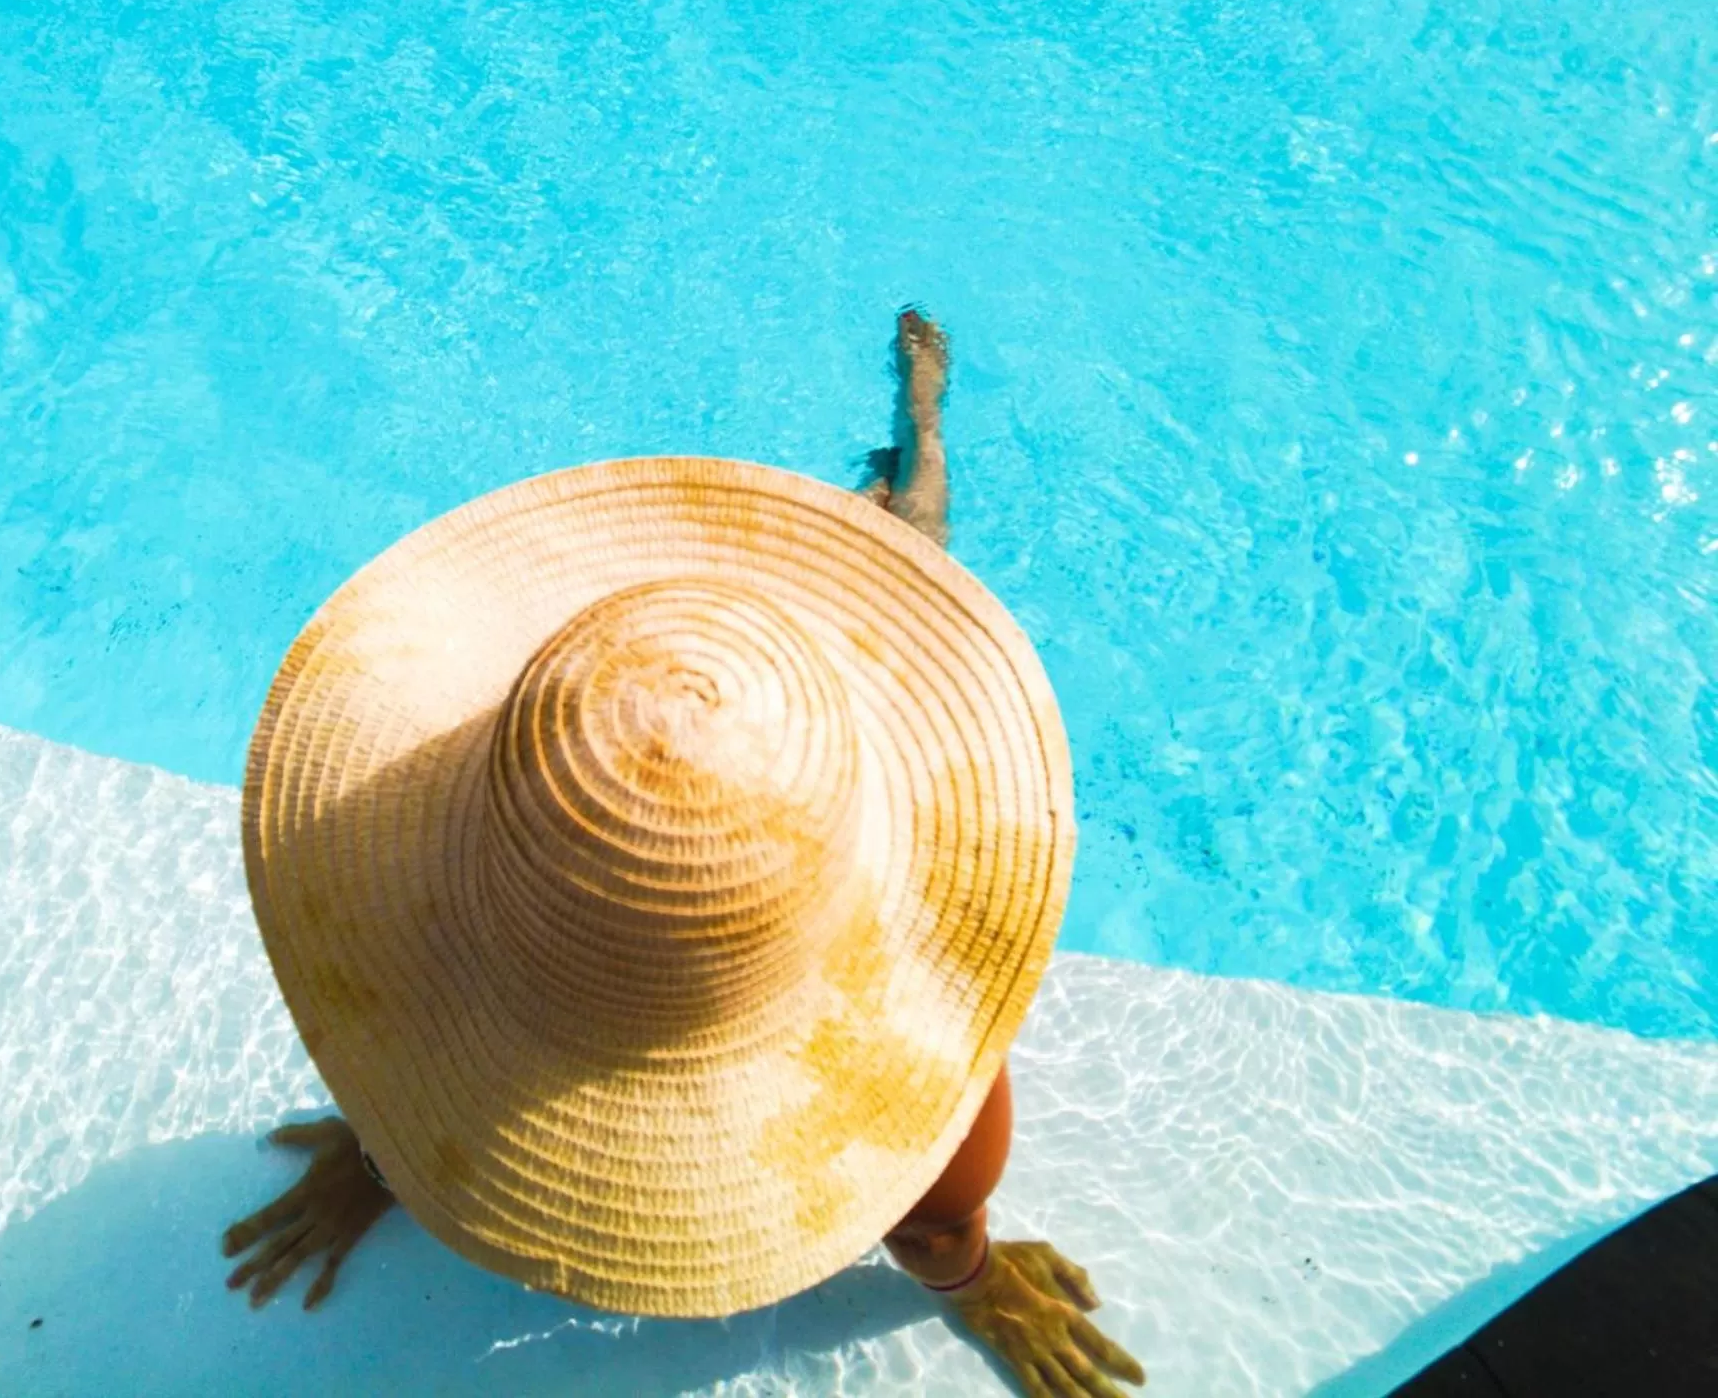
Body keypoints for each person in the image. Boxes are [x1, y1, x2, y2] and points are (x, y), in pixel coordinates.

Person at [220, 311, 1146, 1398]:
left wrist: (393, 1146)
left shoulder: (435, 934)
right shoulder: (941, 1124)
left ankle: (923, 413)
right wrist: (972, 1278)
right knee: (905, 537)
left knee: (912, 518)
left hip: (740, 670)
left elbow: (402, 1024)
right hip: (751, 674)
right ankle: (910, 438)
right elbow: (935, 1222)